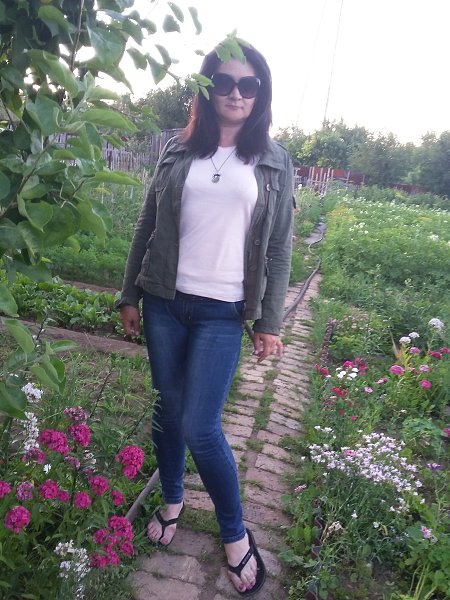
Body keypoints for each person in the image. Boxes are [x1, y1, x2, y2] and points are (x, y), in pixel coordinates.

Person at [117, 40, 294, 596]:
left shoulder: (273, 161)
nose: (236, 94)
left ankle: (235, 531)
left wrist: (269, 321)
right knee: (168, 412)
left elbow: (279, 247)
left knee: (200, 425)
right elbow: (146, 223)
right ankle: (172, 498)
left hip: (223, 312)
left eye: (248, 85)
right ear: (207, 88)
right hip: (164, 303)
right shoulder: (178, 149)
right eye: (224, 82)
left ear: (260, 93)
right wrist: (128, 293)